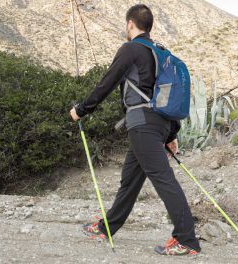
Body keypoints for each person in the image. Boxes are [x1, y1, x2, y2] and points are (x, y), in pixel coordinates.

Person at [69, 4, 201, 256]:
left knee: (164, 180)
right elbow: (165, 95)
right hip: (157, 125)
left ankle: (187, 240)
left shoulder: (130, 49)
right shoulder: (161, 52)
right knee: (129, 181)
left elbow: (107, 82)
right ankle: (106, 227)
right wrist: (171, 133)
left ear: (130, 23)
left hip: (142, 126)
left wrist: (81, 109)